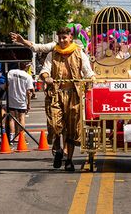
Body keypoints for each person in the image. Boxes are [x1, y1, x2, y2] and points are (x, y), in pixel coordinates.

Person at [40, 27, 95, 171]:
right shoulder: (52, 54)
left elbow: (88, 71)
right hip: (56, 94)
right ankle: (58, 149)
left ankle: (69, 160)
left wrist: (92, 78)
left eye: (65, 37)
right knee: (54, 125)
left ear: (70, 37)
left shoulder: (79, 53)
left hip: (74, 95)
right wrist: (47, 77)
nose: (63, 40)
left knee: (72, 129)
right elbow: (45, 70)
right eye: (60, 38)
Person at [7, 62, 35, 142]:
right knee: (21, 117)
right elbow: (29, 92)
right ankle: (20, 136)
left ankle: (12, 136)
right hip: (21, 99)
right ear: (27, 66)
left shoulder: (11, 72)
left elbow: (6, 84)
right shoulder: (28, 76)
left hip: (11, 98)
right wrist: (29, 104)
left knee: (12, 118)